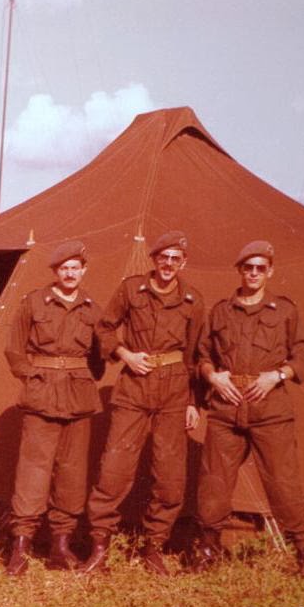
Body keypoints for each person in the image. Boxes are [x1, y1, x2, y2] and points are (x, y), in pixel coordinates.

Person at [81, 231, 205, 575]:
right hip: (134, 385)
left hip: (175, 388)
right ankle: (100, 548)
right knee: (114, 468)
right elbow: (105, 329)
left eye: (176, 259)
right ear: (154, 259)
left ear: (183, 263)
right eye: (164, 257)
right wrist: (126, 355)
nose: (169, 264)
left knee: (169, 474)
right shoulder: (131, 289)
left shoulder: (193, 299)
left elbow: (196, 354)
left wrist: (193, 402)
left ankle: (154, 547)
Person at [193, 241, 304, 578]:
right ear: (239, 270)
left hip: (269, 406)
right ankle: (208, 550)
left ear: (270, 271)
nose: (253, 273)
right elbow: (203, 355)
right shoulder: (221, 312)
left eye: (261, 268)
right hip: (227, 405)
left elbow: (303, 352)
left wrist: (278, 375)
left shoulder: (284, 310)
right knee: (214, 481)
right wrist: (213, 377)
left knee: (283, 480)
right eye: (248, 267)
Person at [3, 240, 103, 576]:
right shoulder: (34, 302)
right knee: (33, 470)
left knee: (72, 472)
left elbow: (99, 358)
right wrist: (32, 377)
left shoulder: (92, 308)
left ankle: (61, 546)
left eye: (75, 268)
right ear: (55, 272)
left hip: (78, 396)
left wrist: (80, 378)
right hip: (42, 394)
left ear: (84, 271)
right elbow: (14, 349)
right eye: (64, 268)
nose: (70, 274)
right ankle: (20, 547)